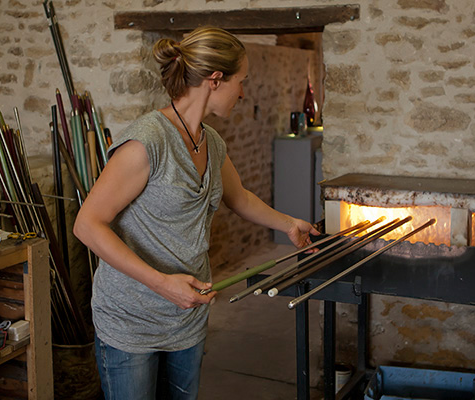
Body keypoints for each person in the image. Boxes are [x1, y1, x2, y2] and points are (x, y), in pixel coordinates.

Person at [73, 26, 319, 400]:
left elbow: (240, 198)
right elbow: (87, 225)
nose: (243, 91)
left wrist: (290, 225)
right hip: (132, 320)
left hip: (186, 317)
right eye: (241, 81)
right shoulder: (147, 141)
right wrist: (160, 282)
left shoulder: (211, 142)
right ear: (215, 80)